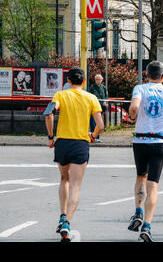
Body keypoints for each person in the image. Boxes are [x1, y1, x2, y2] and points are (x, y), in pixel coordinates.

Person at [45, 67, 104, 242]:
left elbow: (49, 114)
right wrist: (93, 136)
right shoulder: (91, 98)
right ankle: (67, 223)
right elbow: (100, 124)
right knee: (76, 186)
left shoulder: (60, 95)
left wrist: (50, 137)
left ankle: (62, 214)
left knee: (64, 179)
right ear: (84, 82)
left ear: (68, 81)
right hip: (80, 143)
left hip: (62, 142)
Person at [127, 61, 163, 242]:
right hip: (160, 141)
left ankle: (138, 212)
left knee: (141, 176)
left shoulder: (140, 88)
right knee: (154, 184)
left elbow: (134, 108)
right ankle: (147, 226)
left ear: (146, 74)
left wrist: (133, 115)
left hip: (141, 140)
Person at [88, 74, 108, 142]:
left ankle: (97, 137)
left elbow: (105, 96)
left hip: (101, 107)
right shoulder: (92, 87)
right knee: (93, 123)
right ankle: (93, 137)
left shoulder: (104, 87)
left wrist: (105, 101)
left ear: (102, 80)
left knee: (99, 123)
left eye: (99, 79)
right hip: (93, 108)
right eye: (97, 79)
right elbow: (89, 96)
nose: (98, 81)